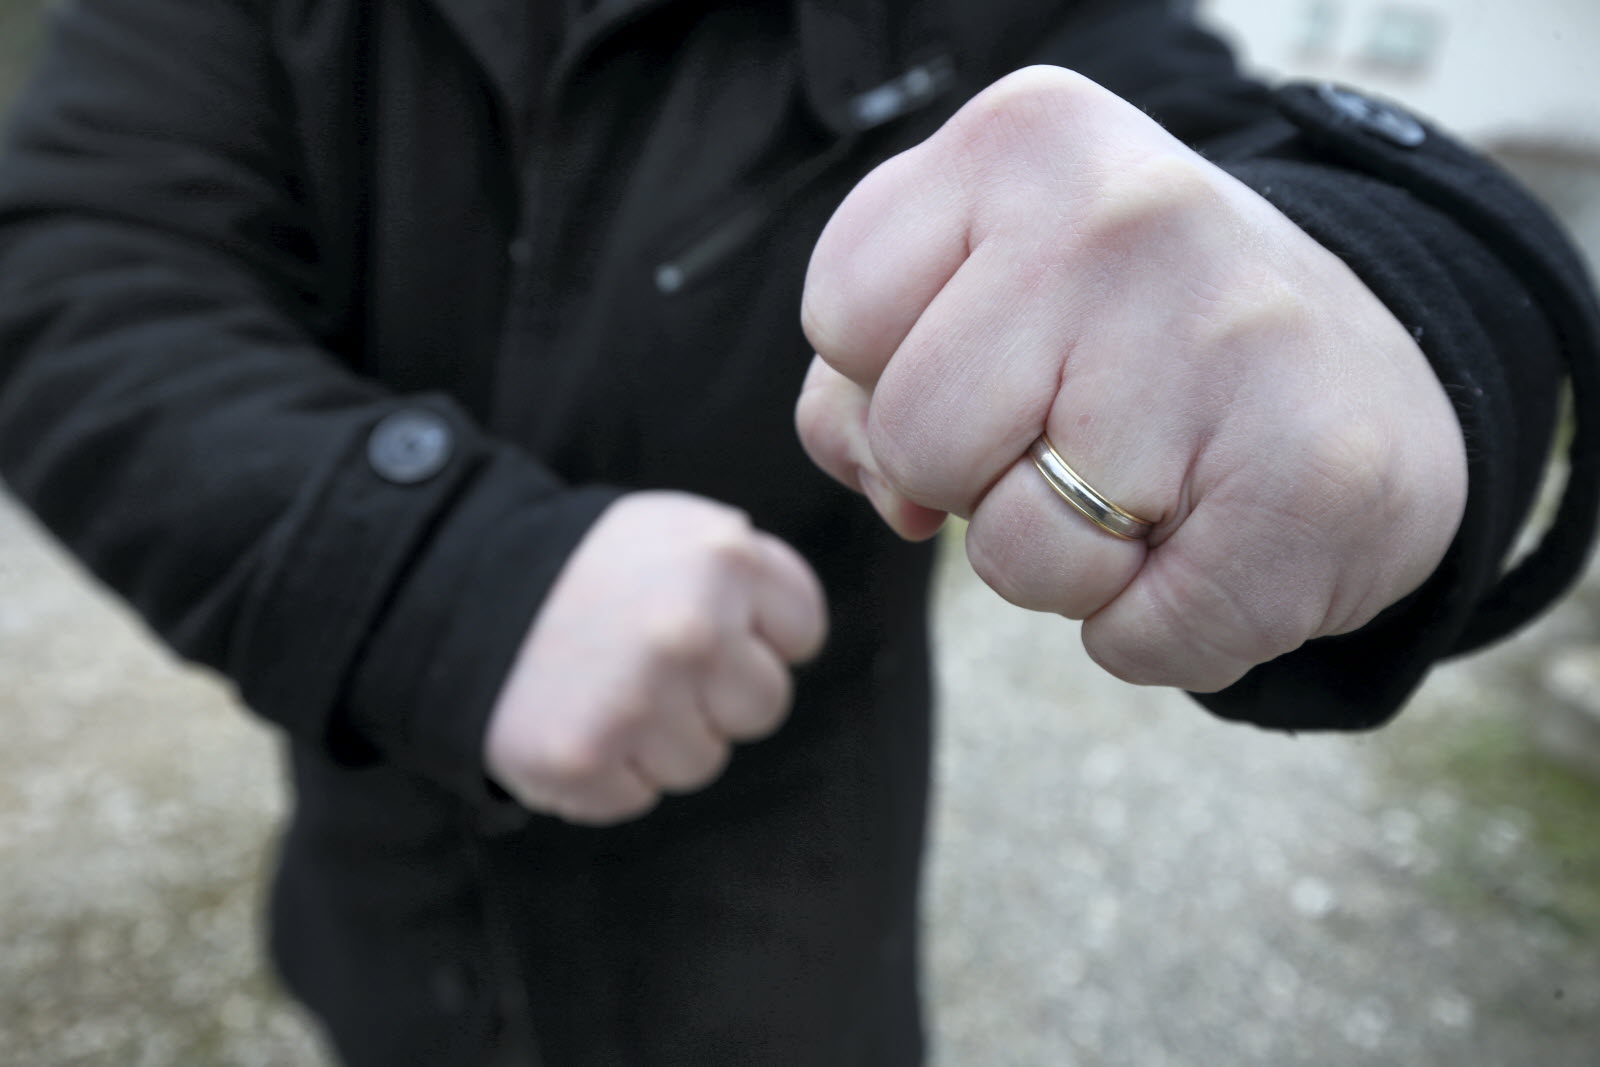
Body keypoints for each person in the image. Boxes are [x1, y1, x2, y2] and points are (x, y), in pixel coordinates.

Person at [0, 0, 1594, 1064]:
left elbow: (1227, 145)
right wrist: (430, 574)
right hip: (390, 902)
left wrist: (1394, 309)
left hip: (782, 919)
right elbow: (74, 260)